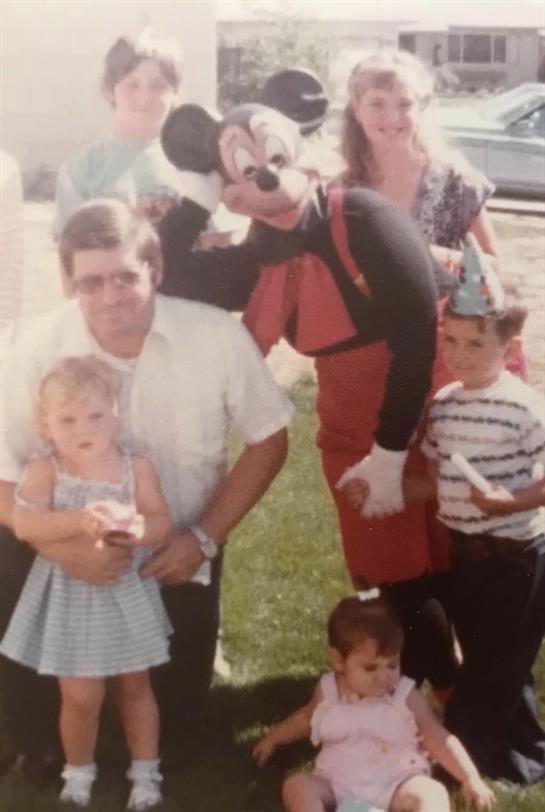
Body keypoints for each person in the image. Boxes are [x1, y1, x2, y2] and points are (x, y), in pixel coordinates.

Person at [0, 199, 293, 784]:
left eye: (125, 276)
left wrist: (204, 538)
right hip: (52, 557)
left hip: (174, 557)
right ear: (67, 282)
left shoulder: (214, 335)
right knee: (34, 732)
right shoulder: (33, 342)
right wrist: (63, 549)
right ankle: (43, 737)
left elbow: (270, 439)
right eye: (90, 282)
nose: (111, 296)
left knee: (176, 725)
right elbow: (2, 473)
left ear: (155, 267)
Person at [0, 355, 172, 808]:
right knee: (80, 693)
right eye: (68, 419)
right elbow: (26, 524)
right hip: (69, 596)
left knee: (135, 685)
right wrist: (81, 520)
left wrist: (138, 529)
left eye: (96, 415)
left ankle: (145, 773)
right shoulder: (47, 470)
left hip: (125, 589)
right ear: (47, 425)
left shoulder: (135, 466)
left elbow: (160, 522)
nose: (84, 429)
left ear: (116, 414)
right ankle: (79, 772)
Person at [420, 239, 545, 785]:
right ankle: (524, 752)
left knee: (494, 665)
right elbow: (434, 478)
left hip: (515, 555)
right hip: (465, 553)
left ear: (510, 345)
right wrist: (385, 493)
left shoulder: (524, 405)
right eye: (450, 340)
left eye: (475, 343)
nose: (459, 354)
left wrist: (510, 501)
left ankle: (466, 756)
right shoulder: (445, 405)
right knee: (494, 658)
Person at [253, 595, 495, 812]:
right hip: (337, 783)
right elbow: (306, 719)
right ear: (338, 660)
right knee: (296, 786)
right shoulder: (328, 692)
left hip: (397, 783)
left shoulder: (405, 696)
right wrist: (273, 738)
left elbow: (437, 737)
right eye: (370, 667)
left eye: (392, 664)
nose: (384, 676)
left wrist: (469, 778)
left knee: (432, 793)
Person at [338, 49, 497, 263]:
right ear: (357, 109)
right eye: (377, 103)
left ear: (421, 107)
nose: (392, 117)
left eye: (404, 104)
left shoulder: (456, 183)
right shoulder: (342, 190)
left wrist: (423, 254)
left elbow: (492, 263)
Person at [53, 29, 184, 237]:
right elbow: (71, 256)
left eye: (159, 86)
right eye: (132, 85)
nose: (145, 97)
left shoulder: (196, 164)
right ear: (109, 90)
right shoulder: (81, 170)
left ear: (176, 92)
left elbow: (217, 248)